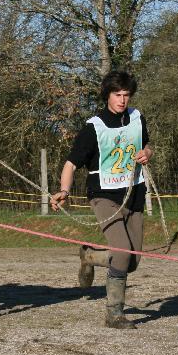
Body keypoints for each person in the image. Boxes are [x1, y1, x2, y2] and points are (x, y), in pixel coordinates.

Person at [50, 70, 152, 329]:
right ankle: (114, 314)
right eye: (117, 95)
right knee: (120, 252)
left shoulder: (138, 119)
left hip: (134, 195)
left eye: (126, 95)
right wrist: (64, 191)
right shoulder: (93, 127)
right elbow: (71, 164)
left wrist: (146, 153)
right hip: (104, 197)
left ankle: (90, 256)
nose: (122, 100)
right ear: (107, 95)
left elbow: (148, 145)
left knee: (132, 261)